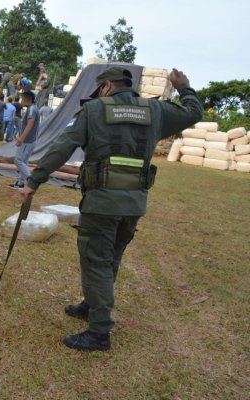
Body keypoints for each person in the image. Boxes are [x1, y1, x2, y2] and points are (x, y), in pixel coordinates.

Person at [20, 67, 203, 351]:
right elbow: (193, 112)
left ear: (106, 86)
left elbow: (62, 147)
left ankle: (99, 331)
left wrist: (34, 180)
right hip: (133, 204)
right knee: (111, 258)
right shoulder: (155, 110)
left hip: (102, 203)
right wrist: (184, 85)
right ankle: (91, 305)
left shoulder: (94, 111)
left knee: (96, 261)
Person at [10, 91, 39, 189]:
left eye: (22, 98)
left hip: (27, 141)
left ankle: (31, 180)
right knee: (23, 161)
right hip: (30, 141)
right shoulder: (33, 109)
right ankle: (20, 183)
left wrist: (21, 139)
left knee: (18, 160)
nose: (21, 100)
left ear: (27, 99)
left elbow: (30, 124)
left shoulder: (31, 110)